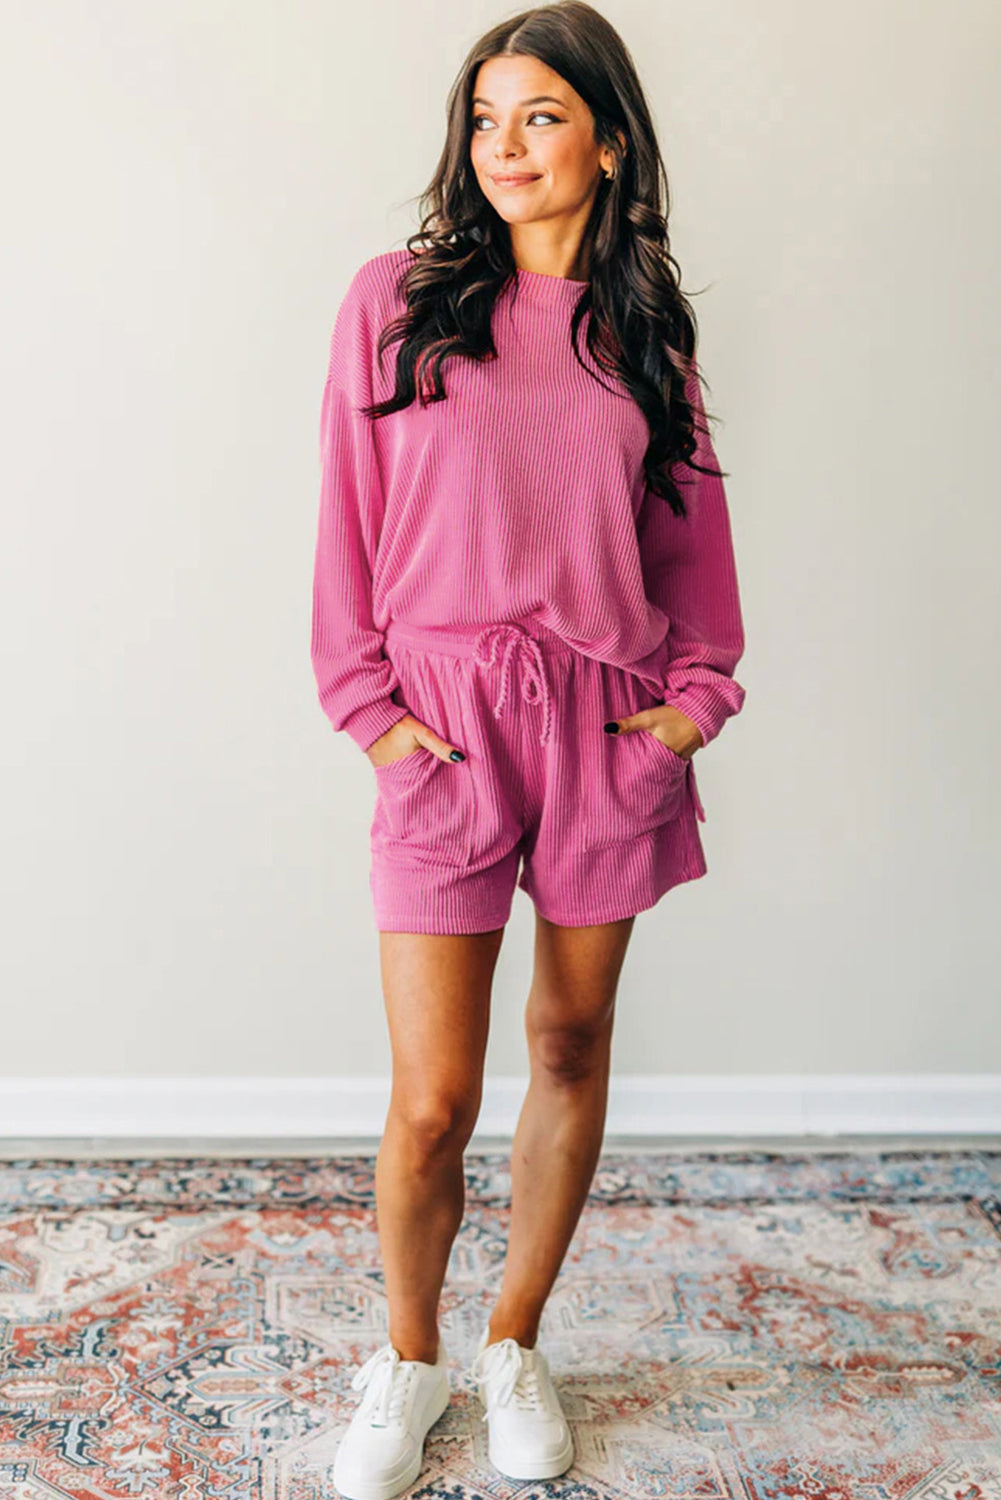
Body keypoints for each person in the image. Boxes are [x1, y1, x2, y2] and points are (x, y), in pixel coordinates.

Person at [310, 3, 747, 1495]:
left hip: (603, 724)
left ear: (608, 142)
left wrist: (690, 705)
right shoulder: (394, 302)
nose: (505, 146)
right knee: (432, 1097)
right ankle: (409, 1357)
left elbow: (693, 553)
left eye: (541, 116)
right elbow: (344, 520)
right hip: (443, 727)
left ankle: (512, 1342)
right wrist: (373, 717)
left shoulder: (645, 336)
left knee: (567, 1042)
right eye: (486, 118)